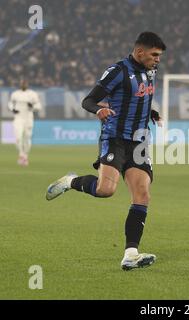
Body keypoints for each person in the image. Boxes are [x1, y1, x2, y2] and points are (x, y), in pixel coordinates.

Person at [45, 32, 166, 270]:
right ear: (140, 52)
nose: (157, 60)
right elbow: (88, 100)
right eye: (154, 55)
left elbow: (139, 98)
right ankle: (71, 181)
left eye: (159, 56)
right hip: (115, 139)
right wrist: (98, 110)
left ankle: (131, 254)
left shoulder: (150, 71)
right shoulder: (117, 71)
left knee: (142, 194)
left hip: (139, 141)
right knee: (105, 190)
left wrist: (151, 113)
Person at [8, 79, 42, 166]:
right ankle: (21, 154)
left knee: (27, 137)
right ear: (20, 84)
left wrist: (33, 106)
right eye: (22, 83)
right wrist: (13, 109)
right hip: (18, 117)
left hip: (28, 117)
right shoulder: (15, 94)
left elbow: (38, 106)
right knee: (18, 137)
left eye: (25, 83)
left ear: (27, 84)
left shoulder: (32, 94)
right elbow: (10, 103)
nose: (23, 85)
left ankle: (25, 155)